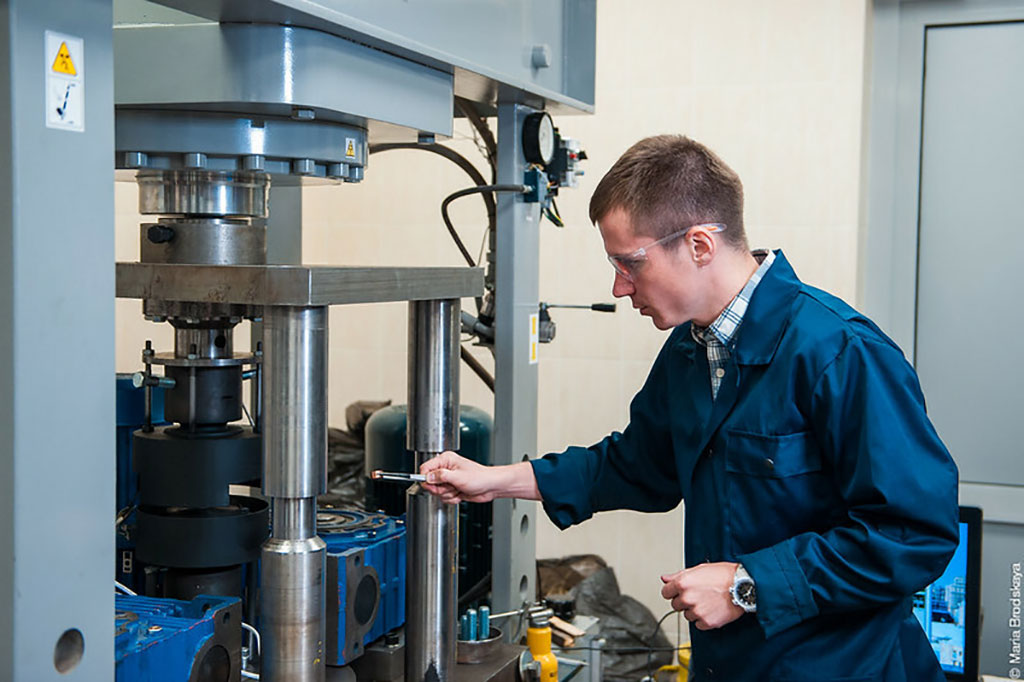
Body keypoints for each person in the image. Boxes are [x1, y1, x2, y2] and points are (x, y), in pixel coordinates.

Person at [421, 135, 959, 681]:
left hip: (843, 667)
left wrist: (747, 586)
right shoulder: (690, 349)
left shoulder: (837, 352)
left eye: (631, 263)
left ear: (700, 244)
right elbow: (636, 467)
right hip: (731, 663)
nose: (619, 286)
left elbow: (913, 534)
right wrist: (495, 480)